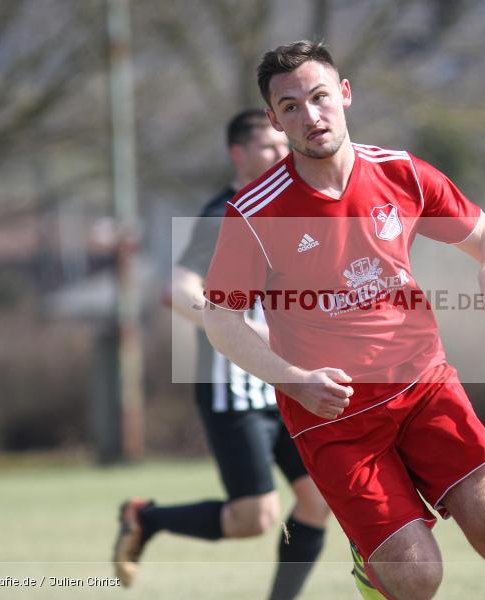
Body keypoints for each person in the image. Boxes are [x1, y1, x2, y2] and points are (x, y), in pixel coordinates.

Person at [201, 41, 485, 600]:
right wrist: (293, 379)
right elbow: (221, 319)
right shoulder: (255, 211)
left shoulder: (401, 173)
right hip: (333, 415)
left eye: (320, 97)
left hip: (424, 386)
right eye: (291, 106)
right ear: (275, 120)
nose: (311, 115)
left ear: (344, 95)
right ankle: (376, 568)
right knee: (418, 577)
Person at [113, 109, 332, 600]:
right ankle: (144, 519)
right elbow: (176, 289)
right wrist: (249, 325)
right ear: (238, 153)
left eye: (284, 147)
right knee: (254, 517)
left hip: (284, 384)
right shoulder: (222, 215)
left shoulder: (286, 207)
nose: (281, 155)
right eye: (268, 148)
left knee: (317, 501)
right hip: (233, 389)